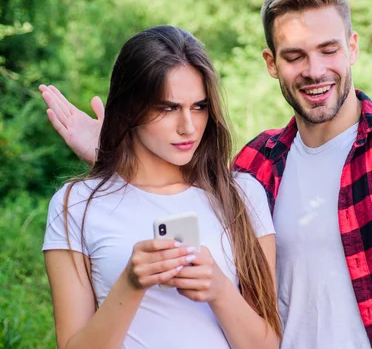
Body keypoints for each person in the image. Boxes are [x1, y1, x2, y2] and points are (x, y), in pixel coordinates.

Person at [40, 0, 372, 349]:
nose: (314, 70)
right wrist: (115, 152)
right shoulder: (255, 167)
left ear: (351, 48)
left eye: (328, 49)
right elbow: (168, 182)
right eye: (294, 55)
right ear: (271, 64)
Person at [41, 25, 281, 349]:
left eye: (199, 106)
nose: (188, 127)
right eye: (167, 108)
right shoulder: (75, 204)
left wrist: (220, 291)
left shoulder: (241, 195)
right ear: (128, 108)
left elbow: (268, 344)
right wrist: (130, 283)